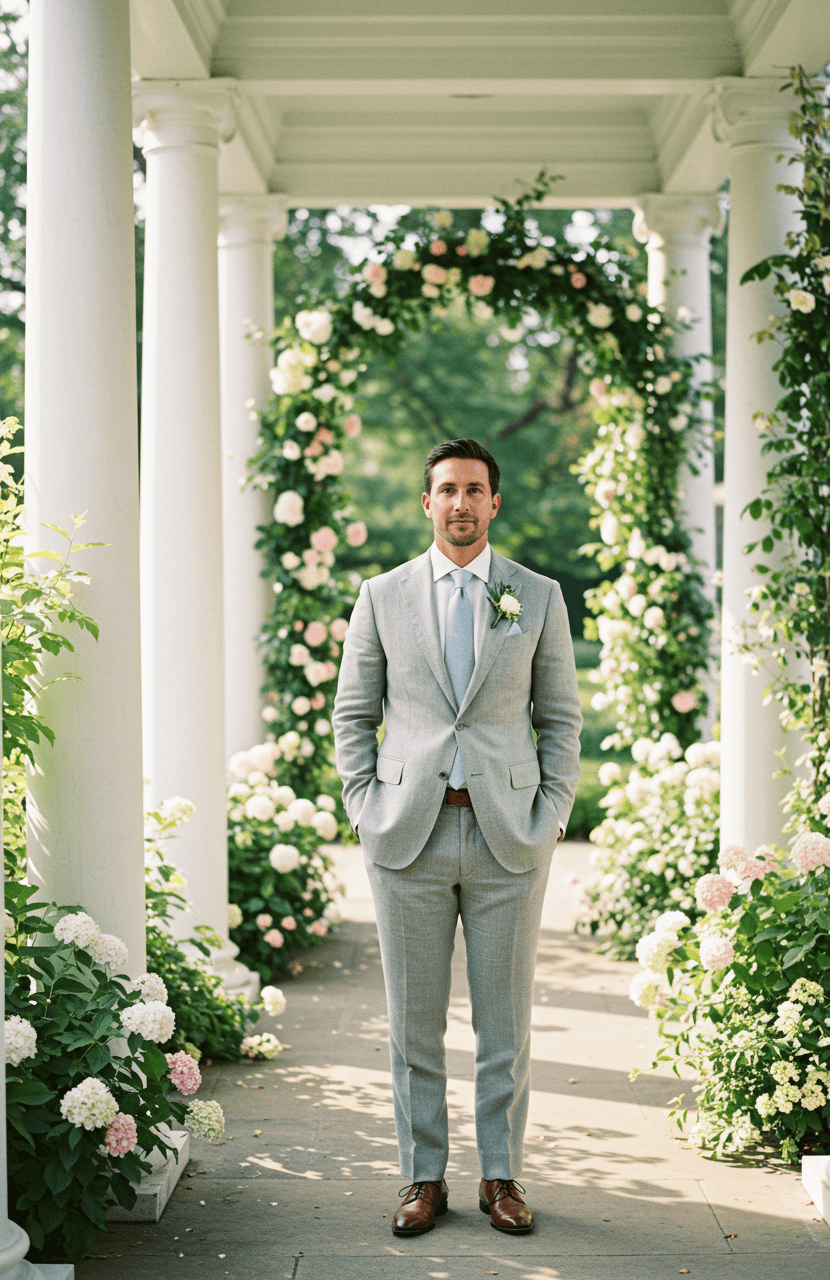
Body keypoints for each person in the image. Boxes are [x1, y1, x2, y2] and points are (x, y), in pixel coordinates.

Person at [332, 437, 582, 1237]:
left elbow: (563, 721)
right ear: (427, 502)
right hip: (407, 838)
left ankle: (501, 1176)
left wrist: (550, 818)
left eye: (476, 490)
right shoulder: (381, 595)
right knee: (413, 1023)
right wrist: (365, 807)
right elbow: (352, 716)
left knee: (504, 1022)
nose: (462, 503)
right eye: (448, 490)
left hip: (510, 839)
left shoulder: (536, 596)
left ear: (495, 502)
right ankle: (423, 1178)